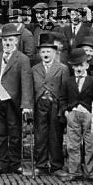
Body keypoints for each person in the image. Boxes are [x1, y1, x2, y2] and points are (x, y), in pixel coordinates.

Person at [0, 23, 33, 175]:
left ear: (17, 41)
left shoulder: (22, 59)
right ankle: (1, 162)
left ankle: (15, 163)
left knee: (14, 132)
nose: (7, 43)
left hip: (12, 100)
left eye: (11, 40)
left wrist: (26, 104)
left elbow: (26, 82)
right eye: (5, 40)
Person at [59, 48, 93, 182]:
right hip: (73, 114)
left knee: (90, 144)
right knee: (72, 144)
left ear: (86, 65)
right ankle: (74, 171)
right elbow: (63, 98)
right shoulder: (68, 81)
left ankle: (90, 172)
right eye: (75, 66)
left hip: (88, 115)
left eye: (81, 65)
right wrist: (66, 111)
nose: (78, 68)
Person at [31, 37, 69, 177]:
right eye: (43, 52)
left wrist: (63, 108)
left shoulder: (62, 69)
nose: (46, 54)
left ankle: (56, 166)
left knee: (55, 135)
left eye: (48, 51)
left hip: (55, 105)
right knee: (40, 135)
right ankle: (40, 165)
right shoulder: (34, 69)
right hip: (40, 104)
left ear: (54, 53)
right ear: (40, 54)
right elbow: (30, 89)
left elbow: (65, 90)